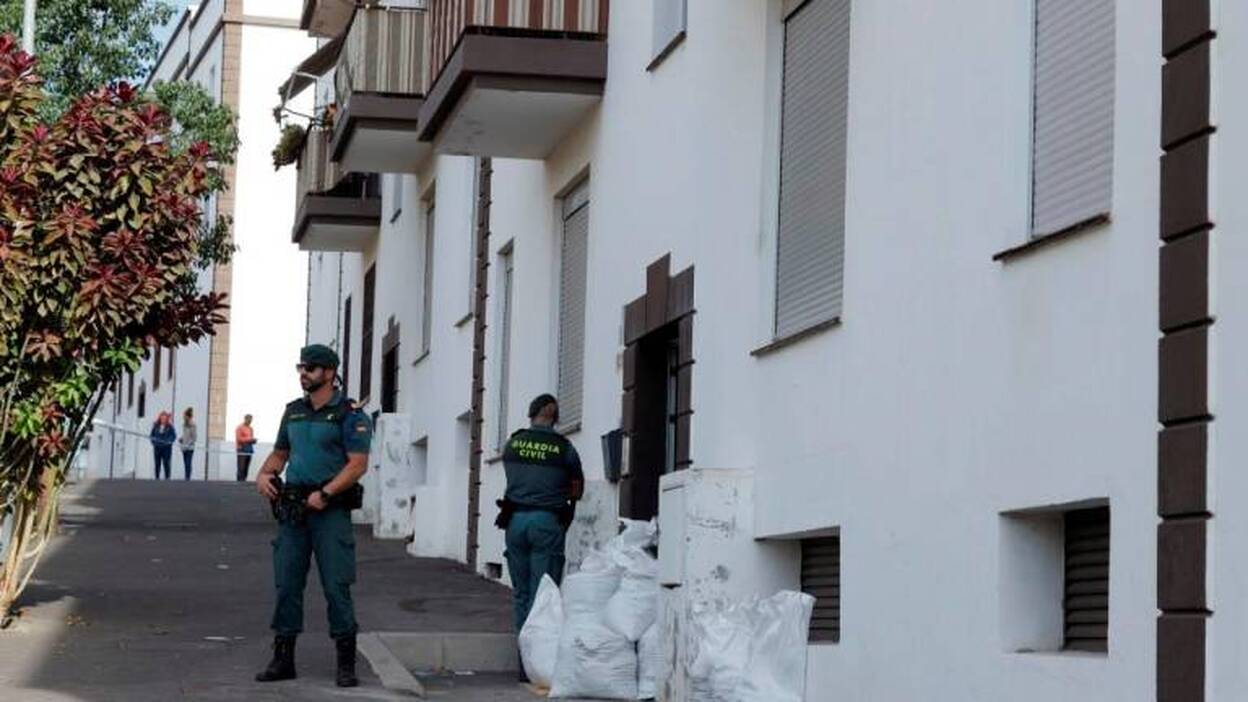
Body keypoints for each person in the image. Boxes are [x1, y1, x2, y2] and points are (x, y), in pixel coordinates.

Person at [254, 344, 372, 688]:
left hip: (329, 511)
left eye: (310, 368)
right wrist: (263, 475)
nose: (303, 373)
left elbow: (357, 464)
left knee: (337, 585)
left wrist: (326, 494)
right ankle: (283, 658)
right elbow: (280, 453)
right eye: (301, 367)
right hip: (293, 511)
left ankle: (346, 663)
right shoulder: (294, 412)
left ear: (330, 373)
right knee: (286, 583)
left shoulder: (349, 415)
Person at [498, 394, 584, 650]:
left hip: (515, 522)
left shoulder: (513, 444)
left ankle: (523, 660)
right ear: (556, 418)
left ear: (531, 413)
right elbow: (577, 490)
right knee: (543, 593)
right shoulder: (564, 448)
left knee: (522, 592)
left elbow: (512, 477)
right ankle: (539, 657)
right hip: (547, 523)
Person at [149, 412, 176, 480]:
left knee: (166, 463)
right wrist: (154, 442)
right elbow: (152, 435)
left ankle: (167, 478)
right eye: (162, 418)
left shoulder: (170, 427)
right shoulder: (156, 426)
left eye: (164, 418)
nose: (163, 419)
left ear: (166, 419)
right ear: (160, 418)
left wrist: (168, 441)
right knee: (157, 464)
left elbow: (173, 436)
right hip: (157, 448)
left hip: (166, 448)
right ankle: (157, 478)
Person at [235, 414, 257, 482]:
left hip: (249, 449)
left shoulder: (250, 428)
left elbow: (250, 438)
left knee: (246, 467)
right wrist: (249, 439)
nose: (250, 421)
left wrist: (253, 440)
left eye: (251, 420)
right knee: (241, 467)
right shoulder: (239, 428)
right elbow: (239, 439)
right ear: (245, 419)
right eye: (248, 420)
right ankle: (239, 482)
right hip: (242, 449)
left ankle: (244, 480)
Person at [179, 408, 197, 481]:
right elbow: (185, 435)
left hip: (189, 448)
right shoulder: (184, 424)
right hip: (184, 447)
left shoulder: (192, 425)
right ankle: (186, 476)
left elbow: (194, 437)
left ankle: (188, 477)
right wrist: (181, 439)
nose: (183, 417)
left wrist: (188, 444)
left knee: (188, 462)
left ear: (188, 416)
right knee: (185, 462)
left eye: (184, 416)